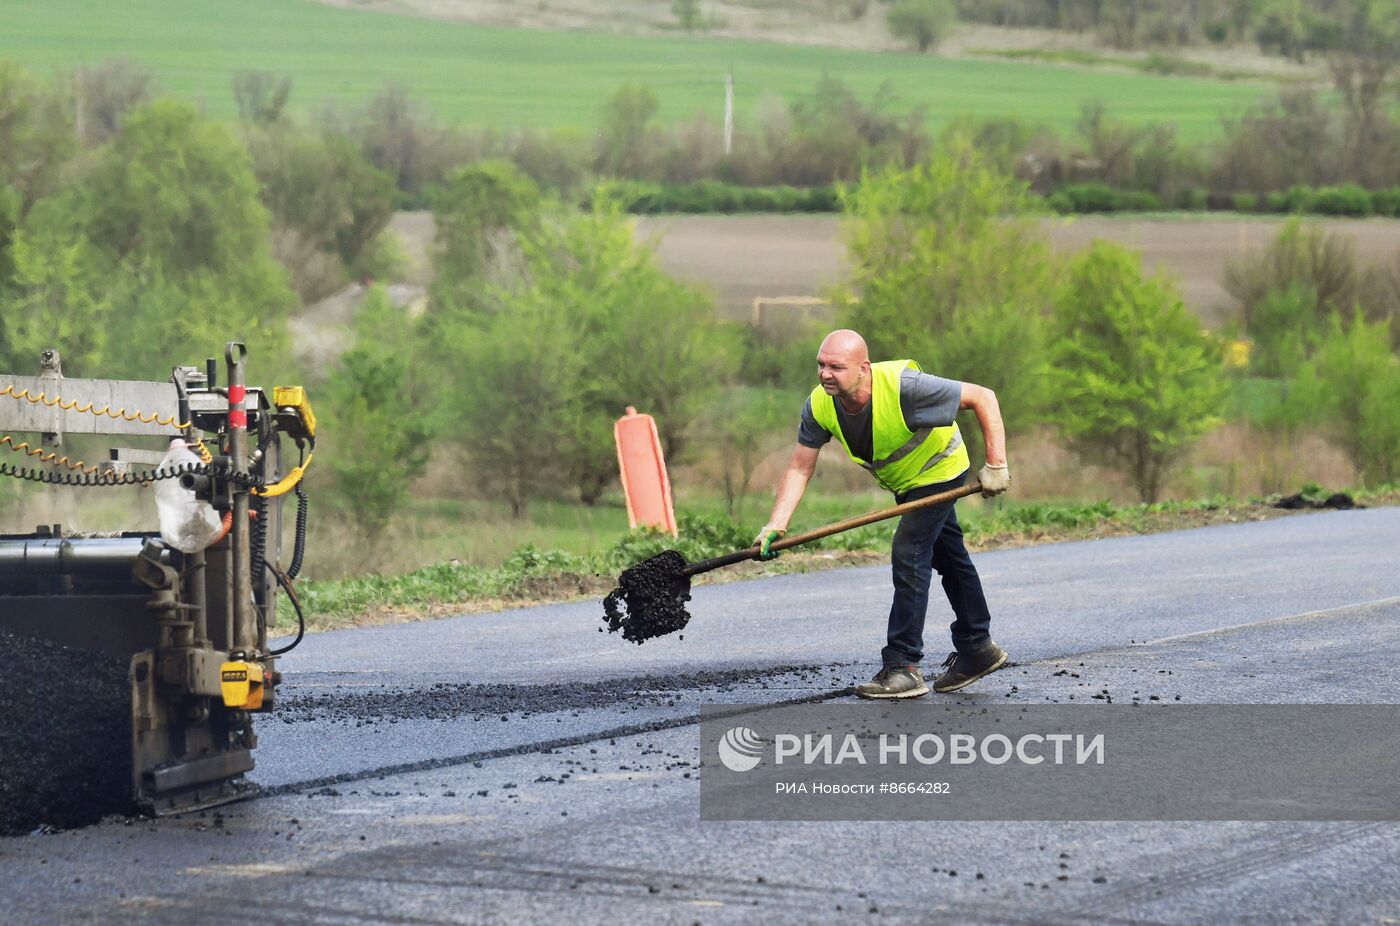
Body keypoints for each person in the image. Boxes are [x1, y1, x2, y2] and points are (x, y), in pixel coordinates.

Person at [754, 329, 1011, 698]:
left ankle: (903, 664)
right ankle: (977, 648)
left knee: (910, 550)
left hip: (941, 469)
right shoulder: (819, 405)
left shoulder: (905, 387)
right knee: (948, 555)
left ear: (863, 368)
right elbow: (799, 467)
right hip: (905, 484)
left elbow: (983, 397)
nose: (825, 374)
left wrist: (996, 465)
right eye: (821, 365)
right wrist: (776, 525)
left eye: (836, 367)